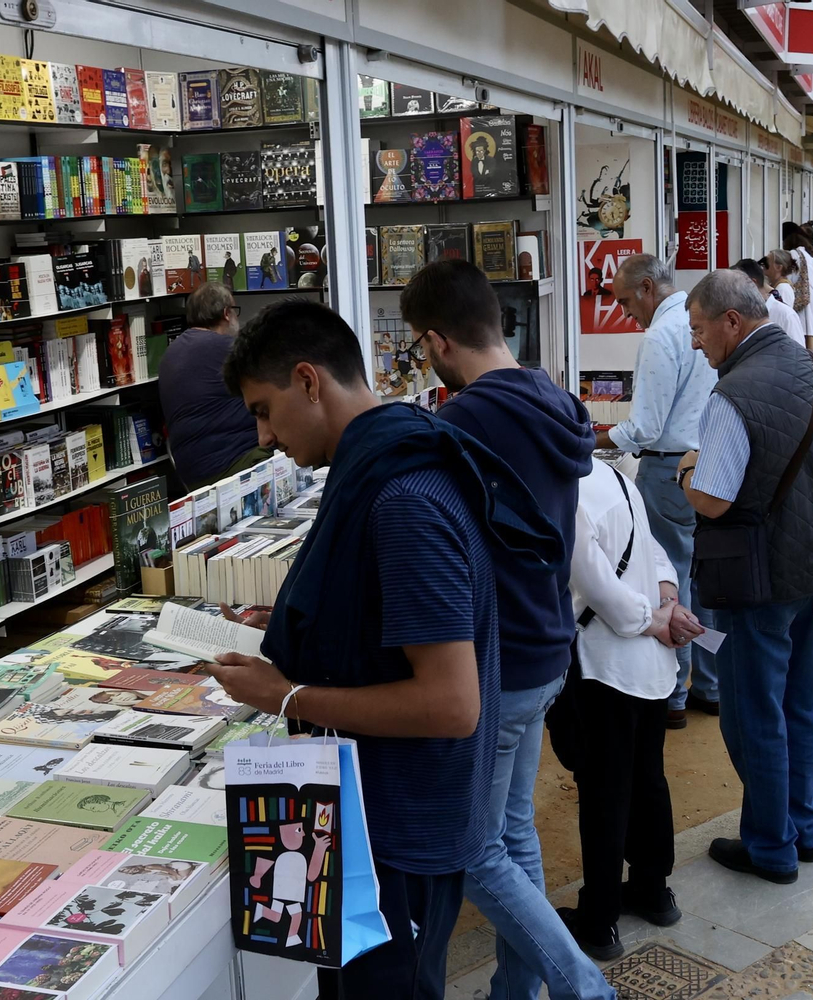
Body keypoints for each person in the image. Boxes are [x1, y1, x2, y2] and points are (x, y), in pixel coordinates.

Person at [209, 299, 564, 1000]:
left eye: (264, 410)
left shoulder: (402, 498)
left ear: (308, 380)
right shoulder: (383, 464)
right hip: (382, 814)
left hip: (401, 833)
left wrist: (288, 696)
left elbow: (451, 704)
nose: (263, 435)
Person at [399, 260, 613, 997]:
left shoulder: (466, 423)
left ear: (437, 340)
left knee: (474, 850)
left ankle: (583, 987)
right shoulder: (549, 396)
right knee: (511, 831)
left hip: (500, 661)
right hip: (547, 644)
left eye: (420, 345)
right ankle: (516, 994)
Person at [678, 269, 813, 883]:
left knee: (754, 714)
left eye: (699, 329)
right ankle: (805, 830)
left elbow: (713, 500)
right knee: (801, 704)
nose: (695, 342)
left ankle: (771, 847)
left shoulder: (733, 394)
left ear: (732, 321)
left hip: (759, 577)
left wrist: (686, 471)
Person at [554, 460, 701, 958]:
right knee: (646, 779)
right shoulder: (614, 474)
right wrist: (667, 601)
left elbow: (597, 586)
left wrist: (654, 619)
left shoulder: (567, 490)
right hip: (650, 666)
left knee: (606, 792)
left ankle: (599, 920)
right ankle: (653, 890)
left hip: (607, 666)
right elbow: (654, 550)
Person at [596, 254, 719, 725]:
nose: (626, 312)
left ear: (648, 288)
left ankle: (672, 693)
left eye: (626, 301)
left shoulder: (659, 336)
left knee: (669, 581)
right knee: (706, 580)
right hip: (711, 465)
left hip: (668, 472)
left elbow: (644, 429)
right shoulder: (702, 322)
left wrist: (589, 439)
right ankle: (710, 684)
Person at [157, 281, 266, 489]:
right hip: (237, 464)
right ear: (227, 314)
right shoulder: (226, 347)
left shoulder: (169, 354)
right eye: (235, 311)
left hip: (191, 476)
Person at [736, 258, 805, 347]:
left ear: (752, 284)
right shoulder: (740, 315)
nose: (733, 292)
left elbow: (798, 352)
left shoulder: (786, 315)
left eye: (736, 286)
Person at [784, 224, 813, 353]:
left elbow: (789, 279)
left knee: (804, 342)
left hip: (804, 303)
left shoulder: (793, 255)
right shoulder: (810, 254)